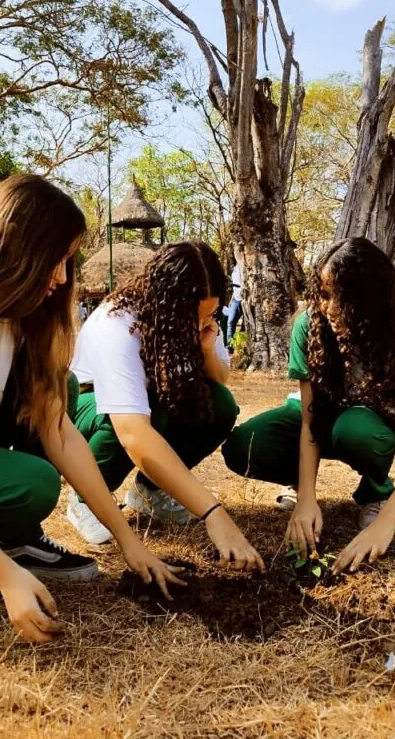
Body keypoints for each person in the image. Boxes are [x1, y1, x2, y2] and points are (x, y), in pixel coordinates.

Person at [0, 175, 183, 644]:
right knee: (18, 479)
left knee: (35, 463)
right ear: (17, 251)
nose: (62, 277)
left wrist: (129, 543)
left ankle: (7, 540)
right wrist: (5, 576)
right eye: (58, 259)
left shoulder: (15, 325)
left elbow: (60, 432)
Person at [222, 237, 395, 574]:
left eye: (336, 298)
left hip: (367, 424)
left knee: (356, 431)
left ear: (367, 300)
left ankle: (376, 491)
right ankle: (299, 483)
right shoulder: (311, 324)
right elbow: (308, 420)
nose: (326, 308)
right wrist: (306, 499)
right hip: (317, 417)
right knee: (243, 446)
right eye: (322, 295)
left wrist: (385, 523)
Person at [67, 241, 264, 573]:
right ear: (165, 303)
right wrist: (214, 514)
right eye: (192, 317)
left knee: (219, 405)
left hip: (146, 409)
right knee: (140, 415)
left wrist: (205, 349)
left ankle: (150, 492)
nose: (198, 324)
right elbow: (133, 432)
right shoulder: (116, 323)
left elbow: (221, 379)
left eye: (209, 314)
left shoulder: (201, 318)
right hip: (90, 406)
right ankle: (86, 497)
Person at [226, 263, 243, 348]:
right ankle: (230, 346)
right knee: (230, 322)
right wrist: (232, 299)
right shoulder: (235, 268)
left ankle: (242, 345)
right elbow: (235, 286)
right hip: (236, 299)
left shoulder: (243, 264)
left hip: (245, 299)